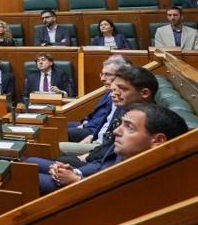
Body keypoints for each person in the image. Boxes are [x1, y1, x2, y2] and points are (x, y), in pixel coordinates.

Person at [39, 103, 187, 195]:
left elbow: (113, 199)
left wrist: (77, 181)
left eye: (129, 127)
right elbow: (103, 172)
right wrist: (71, 171)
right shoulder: (131, 153)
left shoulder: (156, 177)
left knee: (30, 178)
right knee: (30, 166)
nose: (116, 131)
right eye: (121, 124)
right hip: (87, 185)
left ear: (158, 140)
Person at [62, 57, 125, 152]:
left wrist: (89, 131)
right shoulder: (109, 91)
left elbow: (106, 125)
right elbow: (98, 114)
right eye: (102, 74)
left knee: (59, 136)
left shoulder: (120, 99)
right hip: (94, 133)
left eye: (107, 74)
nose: (102, 78)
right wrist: (85, 123)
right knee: (59, 126)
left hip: (98, 139)